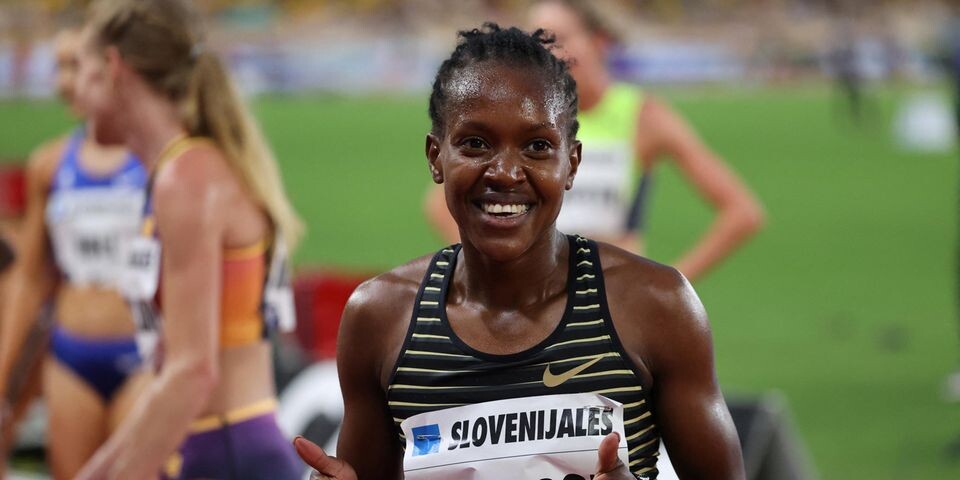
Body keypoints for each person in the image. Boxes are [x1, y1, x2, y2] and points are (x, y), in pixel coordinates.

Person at [296, 24, 744, 480]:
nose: (506, 172)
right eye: (475, 143)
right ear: (435, 157)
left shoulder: (656, 304)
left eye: (537, 146)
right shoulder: (380, 317)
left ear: (572, 163)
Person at [71, 0, 304, 478]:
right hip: (212, 445)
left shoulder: (187, 177)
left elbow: (193, 371)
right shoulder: (179, 171)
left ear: (113, 68)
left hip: (225, 450)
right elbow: (174, 370)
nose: (71, 92)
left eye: (81, 70)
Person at [424, 0, 764, 282]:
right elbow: (439, 204)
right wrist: (497, 271)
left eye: (559, 38)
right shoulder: (518, 117)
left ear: (599, 41)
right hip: (532, 302)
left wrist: (668, 282)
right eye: (537, 41)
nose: (548, 52)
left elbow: (741, 212)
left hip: (612, 306)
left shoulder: (643, 117)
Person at [0, 26, 150, 479]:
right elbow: (29, 279)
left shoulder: (156, 160)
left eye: (74, 66)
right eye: (57, 68)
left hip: (143, 355)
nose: (63, 82)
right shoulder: (49, 164)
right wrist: (4, 377)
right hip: (71, 356)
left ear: (112, 67)